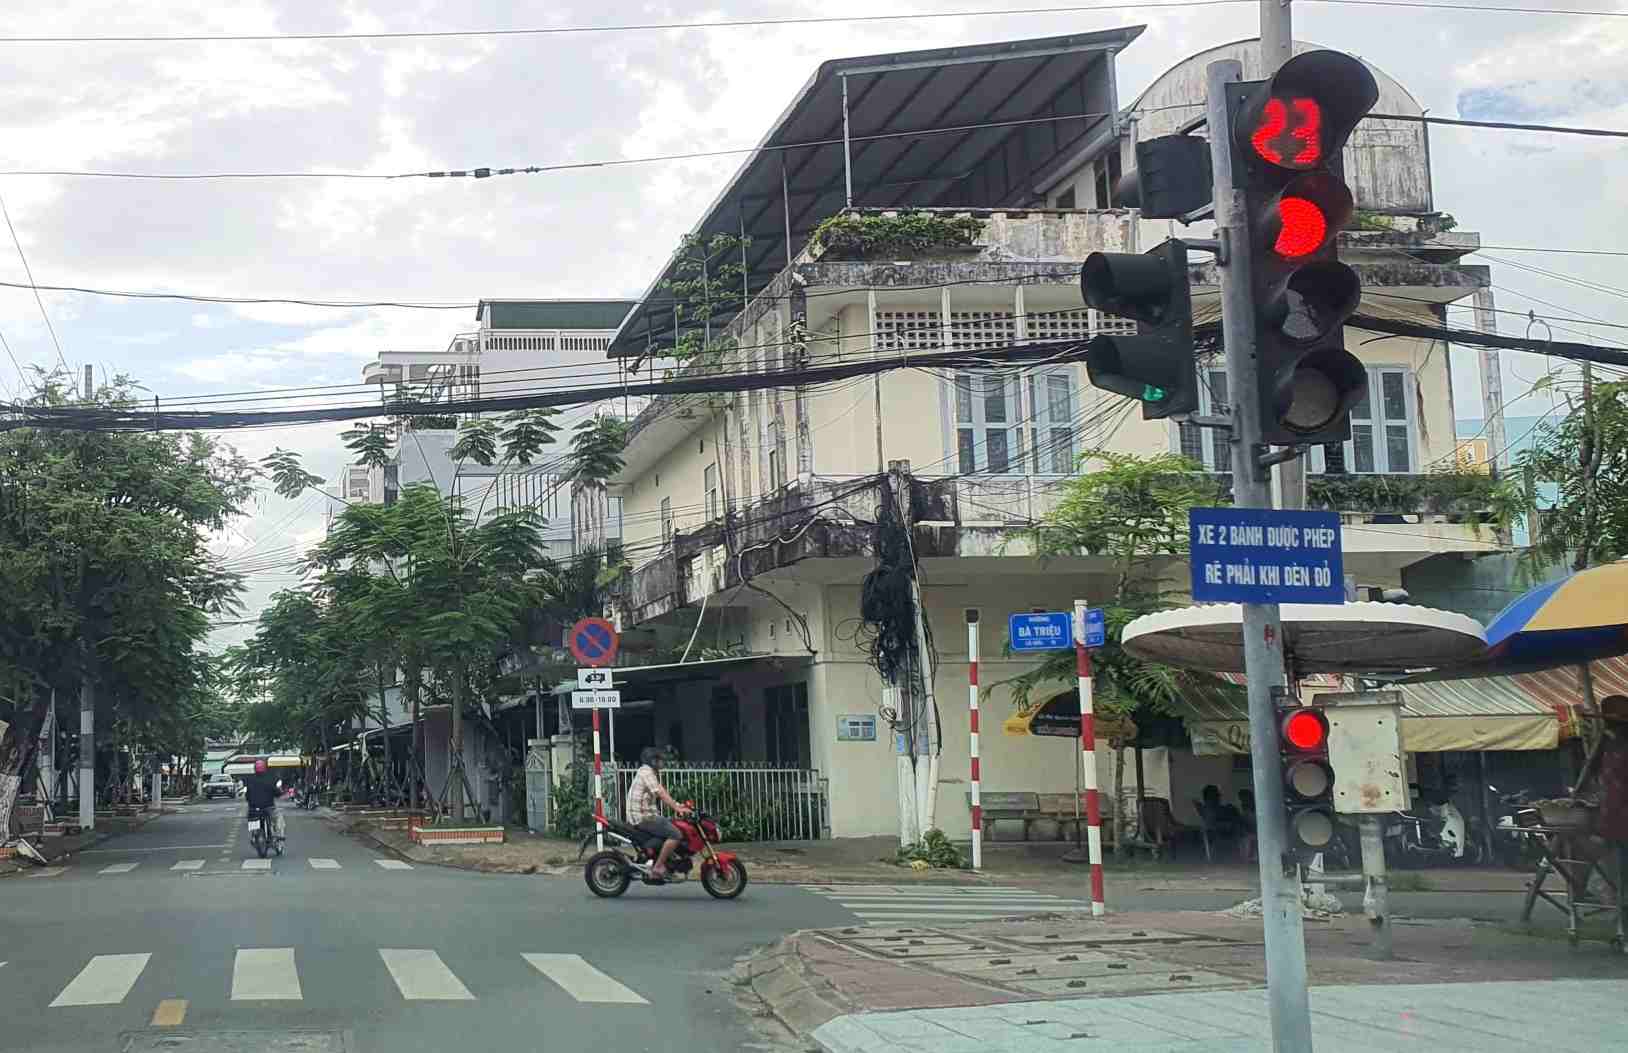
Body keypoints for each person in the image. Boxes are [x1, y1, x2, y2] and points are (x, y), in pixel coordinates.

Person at [625, 747, 691, 880]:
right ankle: (658, 867)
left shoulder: (649, 772)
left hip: (646, 814)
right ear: (653, 761)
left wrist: (678, 805)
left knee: (670, 825)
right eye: (661, 760)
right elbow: (659, 793)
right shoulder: (646, 772)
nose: (663, 762)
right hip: (642, 817)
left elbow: (662, 790)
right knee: (676, 834)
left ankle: (660, 859)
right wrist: (677, 809)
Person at [242, 759, 286, 847]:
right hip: (268, 808)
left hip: (253, 809)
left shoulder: (249, 780)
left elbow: (247, 796)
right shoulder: (269, 779)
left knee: (251, 819)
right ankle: (279, 837)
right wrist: (281, 793)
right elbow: (277, 793)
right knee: (279, 818)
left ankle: (254, 835)